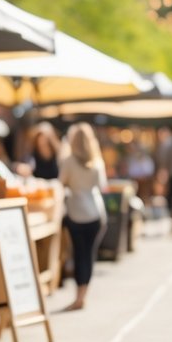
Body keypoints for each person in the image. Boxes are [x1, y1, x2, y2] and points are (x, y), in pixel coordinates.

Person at [59, 123, 108, 311]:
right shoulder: (96, 160)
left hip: (77, 213)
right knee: (88, 256)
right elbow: (102, 186)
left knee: (80, 255)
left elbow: (61, 184)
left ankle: (79, 297)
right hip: (96, 213)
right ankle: (83, 295)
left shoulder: (69, 161)